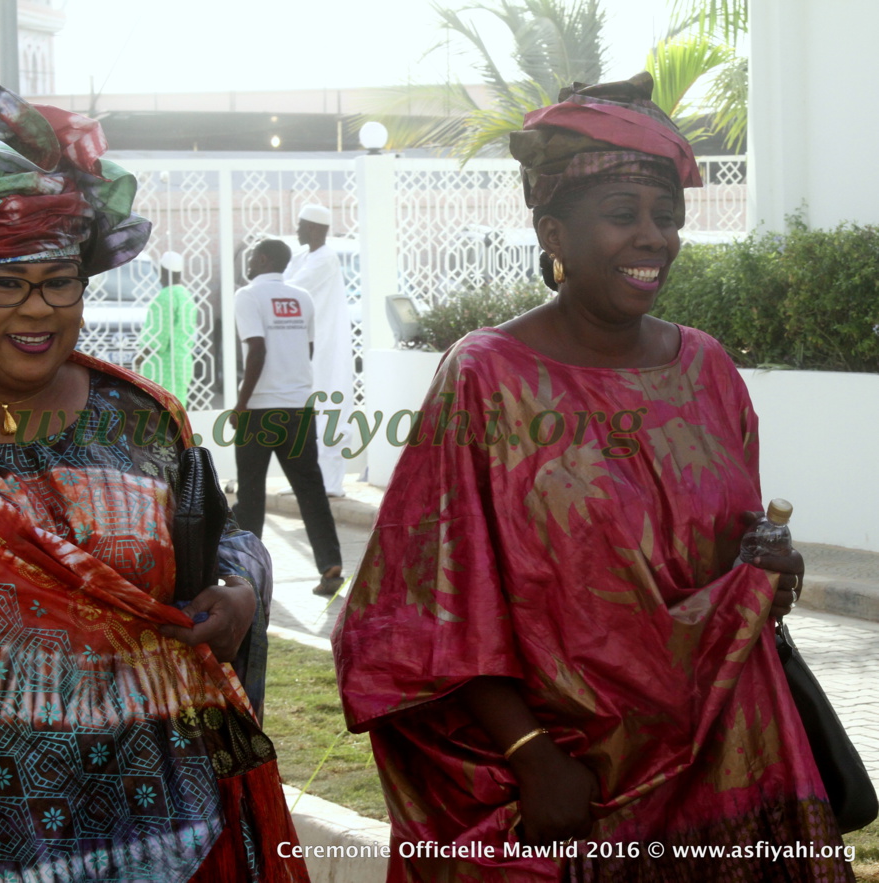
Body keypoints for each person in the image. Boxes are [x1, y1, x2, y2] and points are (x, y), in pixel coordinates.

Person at [333, 73, 851, 882]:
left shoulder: (708, 369)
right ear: (553, 234)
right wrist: (533, 754)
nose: (655, 238)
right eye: (623, 217)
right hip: (574, 784)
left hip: (731, 760)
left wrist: (767, 568)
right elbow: (425, 602)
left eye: (667, 218)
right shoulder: (487, 378)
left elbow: (726, 544)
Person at [0, 82, 308, 881]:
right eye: (4, 282)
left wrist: (236, 588)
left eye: (60, 279)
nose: (39, 310)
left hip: (175, 833)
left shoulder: (141, 420)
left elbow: (221, 534)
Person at [232, 238, 344, 597]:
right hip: (298, 409)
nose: (248, 263)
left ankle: (249, 577)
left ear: (263, 259)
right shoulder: (303, 299)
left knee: (251, 495)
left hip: (260, 411)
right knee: (311, 491)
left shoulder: (247, 296)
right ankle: (330, 565)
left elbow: (258, 350)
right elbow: (307, 349)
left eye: (251, 257)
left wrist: (241, 404)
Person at [283, 203, 353, 497]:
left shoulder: (325, 259)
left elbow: (290, 288)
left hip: (325, 346)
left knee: (327, 407)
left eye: (300, 225)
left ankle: (330, 483)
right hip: (306, 345)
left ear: (313, 228)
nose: (297, 230)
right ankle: (307, 480)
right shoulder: (304, 256)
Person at [134, 250, 199, 407]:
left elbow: (158, 336)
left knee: (159, 410)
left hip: (162, 366)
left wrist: (140, 357)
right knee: (178, 409)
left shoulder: (165, 296)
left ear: (162, 271)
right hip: (182, 362)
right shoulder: (186, 295)